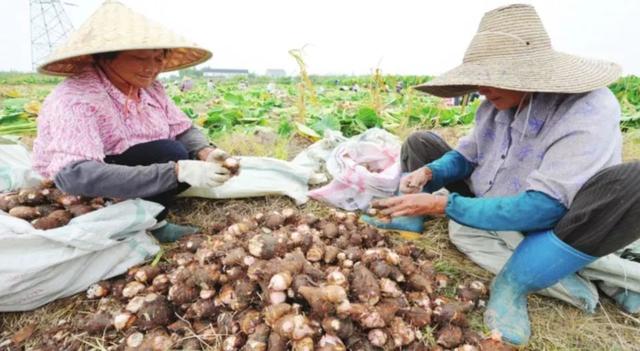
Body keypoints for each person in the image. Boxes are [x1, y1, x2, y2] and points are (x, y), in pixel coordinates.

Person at [362, 4, 640, 346]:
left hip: (560, 218)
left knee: (635, 182)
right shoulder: (494, 105)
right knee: (421, 143)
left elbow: (544, 208)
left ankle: (514, 283)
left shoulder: (588, 109)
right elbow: (468, 157)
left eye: (493, 78)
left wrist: (443, 206)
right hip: (495, 198)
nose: (482, 89)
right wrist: (430, 173)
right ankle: (408, 217)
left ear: (530, 73)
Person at [32, 0, 228, 243]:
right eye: (140, 58)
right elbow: (74, 175)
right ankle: (144, 222)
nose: (152, 68)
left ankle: (145, 211)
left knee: (181, 152)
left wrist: (206, 152)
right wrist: (176, 171)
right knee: (171, 153)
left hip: (132, 166)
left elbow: (181, 128)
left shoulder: (150, 88)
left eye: (158, 58)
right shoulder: (76, 99)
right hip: (83, 185)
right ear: (105, 58)